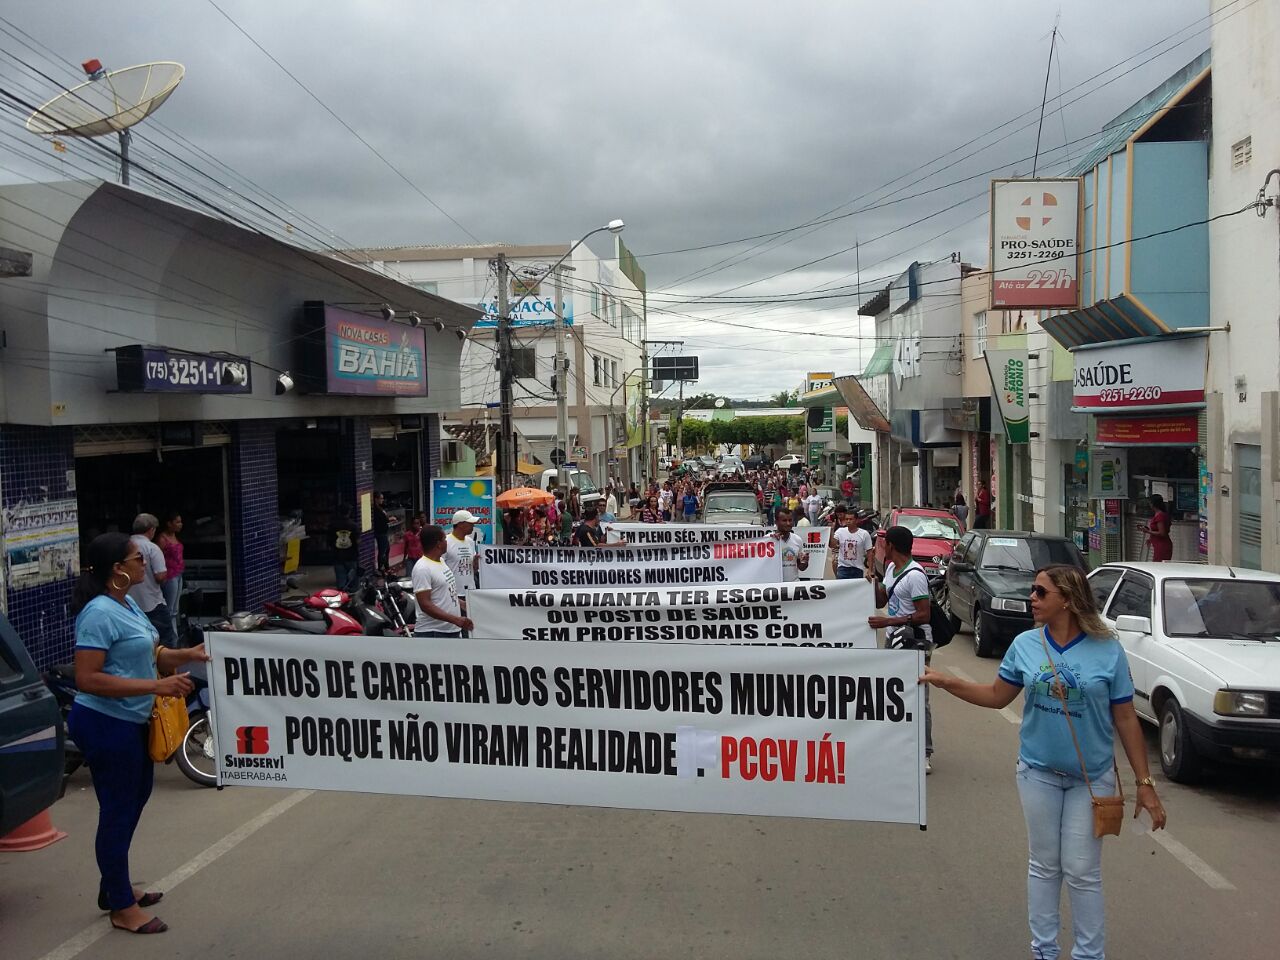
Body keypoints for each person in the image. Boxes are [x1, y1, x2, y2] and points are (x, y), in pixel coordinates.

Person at [921, 564, 1167, 960]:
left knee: (1082, 871)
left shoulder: (1107, 649)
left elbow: (1125, 717)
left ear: (1067, 600)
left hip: (1092, 779)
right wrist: (946, 681)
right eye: (1033, 592)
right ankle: (1044, 951)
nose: (1031, 599)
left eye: (1040, 593)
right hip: (1037, 774)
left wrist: (1145, 784)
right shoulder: (1025, 645)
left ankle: (1089, 954)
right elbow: (998, 696)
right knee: (1044, 865)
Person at [68, 532, 209, 934]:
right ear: (118, 568)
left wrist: (187, 655)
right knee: (117, 811)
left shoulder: (126, 602)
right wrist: (157, 686)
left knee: (135, 800)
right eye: (137, 559)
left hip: (132, 722)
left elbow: (151, 651)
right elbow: (87, 678)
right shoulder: (97, 613)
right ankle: (121, 908)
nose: (145, 563)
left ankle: (114, 886)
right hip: (104, 723)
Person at [866, 525, 934, 771]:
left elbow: (923, 614)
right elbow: (882, 600)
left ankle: (924, 752)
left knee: (918, 696)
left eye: (884, 544)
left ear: (892, 546)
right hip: (894, 639)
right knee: (893, 695)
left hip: (914, 642)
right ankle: (898, 745)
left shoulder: (915, 575)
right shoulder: (893, 569)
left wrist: (888, 621)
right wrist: (873, 577)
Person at [411, 525, 473, 638]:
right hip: (433, 633)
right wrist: (455, 620)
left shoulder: (441, 561)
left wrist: (461, 603)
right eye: (444, 539)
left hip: (449, 630)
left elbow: (444, 592)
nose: (446, 542)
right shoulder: (422, 568)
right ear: (438, 544)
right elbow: (425, 604)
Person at [127, 514, 173, 648]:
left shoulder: (124, 546)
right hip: (152, 603)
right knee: (164, 641)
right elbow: (160, 576)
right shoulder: (152, 548)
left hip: (129, 603)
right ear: (151, 530)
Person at [155, 510, 185, 642]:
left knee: (175, 609)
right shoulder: (162, 539)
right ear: (169, 523)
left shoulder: (175, 537)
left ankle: (174, 637)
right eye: (177, 522)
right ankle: (171, 638)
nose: (180, 524)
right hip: (170, 575)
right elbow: (159, 557)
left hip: (178, 574)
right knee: (170, 609)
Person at [445, 510, 480, 619]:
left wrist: (475, 562)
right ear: (460, 524)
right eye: (470, 523)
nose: (473, 526)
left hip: (470, 592)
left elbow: (473, 569)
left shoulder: (470, 542)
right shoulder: (446, 542)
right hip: (453, 594)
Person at [831, 510, 872, 579]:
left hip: (858, 569)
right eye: (846, 519)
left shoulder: (864, 534)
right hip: (843, 568)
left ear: (856, 520)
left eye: (851, 519)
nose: (848, 521)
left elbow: (870, 553)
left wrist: (870, 570)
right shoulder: (840, 531)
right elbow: (833, 545)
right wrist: (831, 531)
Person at [772, 507, 808, 582]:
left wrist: (805, 561)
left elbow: (801, 567)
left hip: (793, 587)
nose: (788, 523)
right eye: (784, 521)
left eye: (790, 520)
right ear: (776, 522)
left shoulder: (797, 540)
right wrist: (772, 541)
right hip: (775, 587)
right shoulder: (768, 541)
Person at [331, 505, 359, 591]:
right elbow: (357, 541)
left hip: (338, 555)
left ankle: (342, 596)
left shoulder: (332, 526)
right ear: (349, 513)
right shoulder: (354, 526)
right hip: (351, 556)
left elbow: (329, 541)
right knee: (353, 581)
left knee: (340, 581)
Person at [371, 492, 397, 572]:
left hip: (383, 531)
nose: (382, 500)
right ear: (376, 499)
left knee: (386, 549)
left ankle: (386, 566)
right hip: (380, 532)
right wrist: (390, 519)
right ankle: (381, 567)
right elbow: (382, 519)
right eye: (381, 498)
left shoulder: (380, 508)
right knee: (383, 550)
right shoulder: (376, 510)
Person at [1145, 494, 1172, 562]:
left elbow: (1162, 533)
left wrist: (1147, 531)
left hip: (1162, 546)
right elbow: (1156, 530)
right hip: (1158, 544)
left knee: (1158, 564)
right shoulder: (1158, 514)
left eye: (1150, 503)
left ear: (1153, 504)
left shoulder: (1160, 516)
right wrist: (1150, 539)